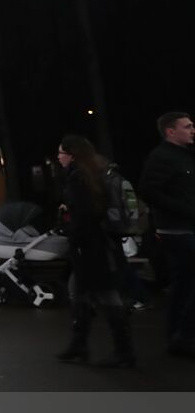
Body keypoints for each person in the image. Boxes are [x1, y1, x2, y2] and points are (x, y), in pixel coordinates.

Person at [55, 135, 135, 367]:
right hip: (104, 244)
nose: (58, 157)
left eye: (61, 153)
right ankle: (80, 345)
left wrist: (72, 233)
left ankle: (123, 351)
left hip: (91, 248)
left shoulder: (78, 178)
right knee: (81, 292)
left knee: (104, 295)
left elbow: (84, 215)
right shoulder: (97, 172)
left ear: (72, 155)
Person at [139, 111, 195, 357]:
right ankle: (183, 334)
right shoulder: (161, 157)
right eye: (187, 126)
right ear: (171, 131)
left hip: (184, 228)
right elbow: (149, 190)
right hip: (177, 230)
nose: (193, 129)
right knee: (187, 283)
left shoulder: (183, 157)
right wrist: (184, 210)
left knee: (183, 284)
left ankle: (177, 336)